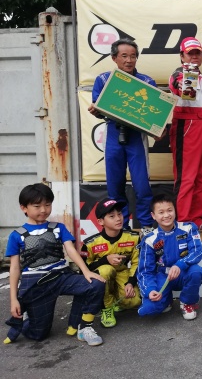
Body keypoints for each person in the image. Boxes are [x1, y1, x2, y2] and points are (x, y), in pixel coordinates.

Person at [4, 184, 105, 346]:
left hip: (61, 276)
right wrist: (14, 300)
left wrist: (86, 272)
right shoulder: (16, 236)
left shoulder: (59, 228)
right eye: (37, 206)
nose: (43, 210)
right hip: (36, 283)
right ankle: (29, 315)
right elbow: (15, 268)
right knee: (38, 334)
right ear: (24, 208)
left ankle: (82, 326)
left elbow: (71, 250)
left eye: (47, 205)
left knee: (95, 284)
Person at [88, 38, 156, 234]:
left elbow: (155, 113)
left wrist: (159, 128)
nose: (129, 60)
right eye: (124, 56)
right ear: (114, 58)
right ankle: (121, 228)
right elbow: (99, 107)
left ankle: (146, 227)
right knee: (115, 188)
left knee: (142, 187)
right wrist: (96, 111)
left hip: (136, 137)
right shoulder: (103, 80)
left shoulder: (147, 82)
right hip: (113, 135)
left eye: (133, 56)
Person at [168, 37, 202, 231]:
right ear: (182, 56)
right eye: (190, 53)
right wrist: (182, 83)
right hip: (187, 127)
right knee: (186, 177)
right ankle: (182, 220)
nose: (194, 56)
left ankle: (197, 218)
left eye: (198, 53)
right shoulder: (180, 73)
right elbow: (179, 86)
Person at [137, 194, 202, 320]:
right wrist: (150, 290)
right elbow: (145, 271)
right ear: (153, 215)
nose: (166, 215)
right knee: (148, 310)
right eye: (161, 212)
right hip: (162, 276)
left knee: (196, 271)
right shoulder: (149, 239)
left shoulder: (188, 228)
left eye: (169, 210)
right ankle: (166, 300)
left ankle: (187, 303)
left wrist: (180, 265)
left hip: (184, 272)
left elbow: (197, 251)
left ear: (175, 210)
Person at [80, 198, 141, 328]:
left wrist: (131, 282)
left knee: (134, 301)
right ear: (100, 221)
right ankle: (106, 308)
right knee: (106, 270)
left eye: (119, 214)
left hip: (122, 272)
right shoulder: (89, 244)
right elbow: (83, 269)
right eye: (112, 216)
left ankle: (116, 300)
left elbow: (137, 263)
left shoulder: (134, 237)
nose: (118, 218)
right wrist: (105, 260)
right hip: (101, 277)